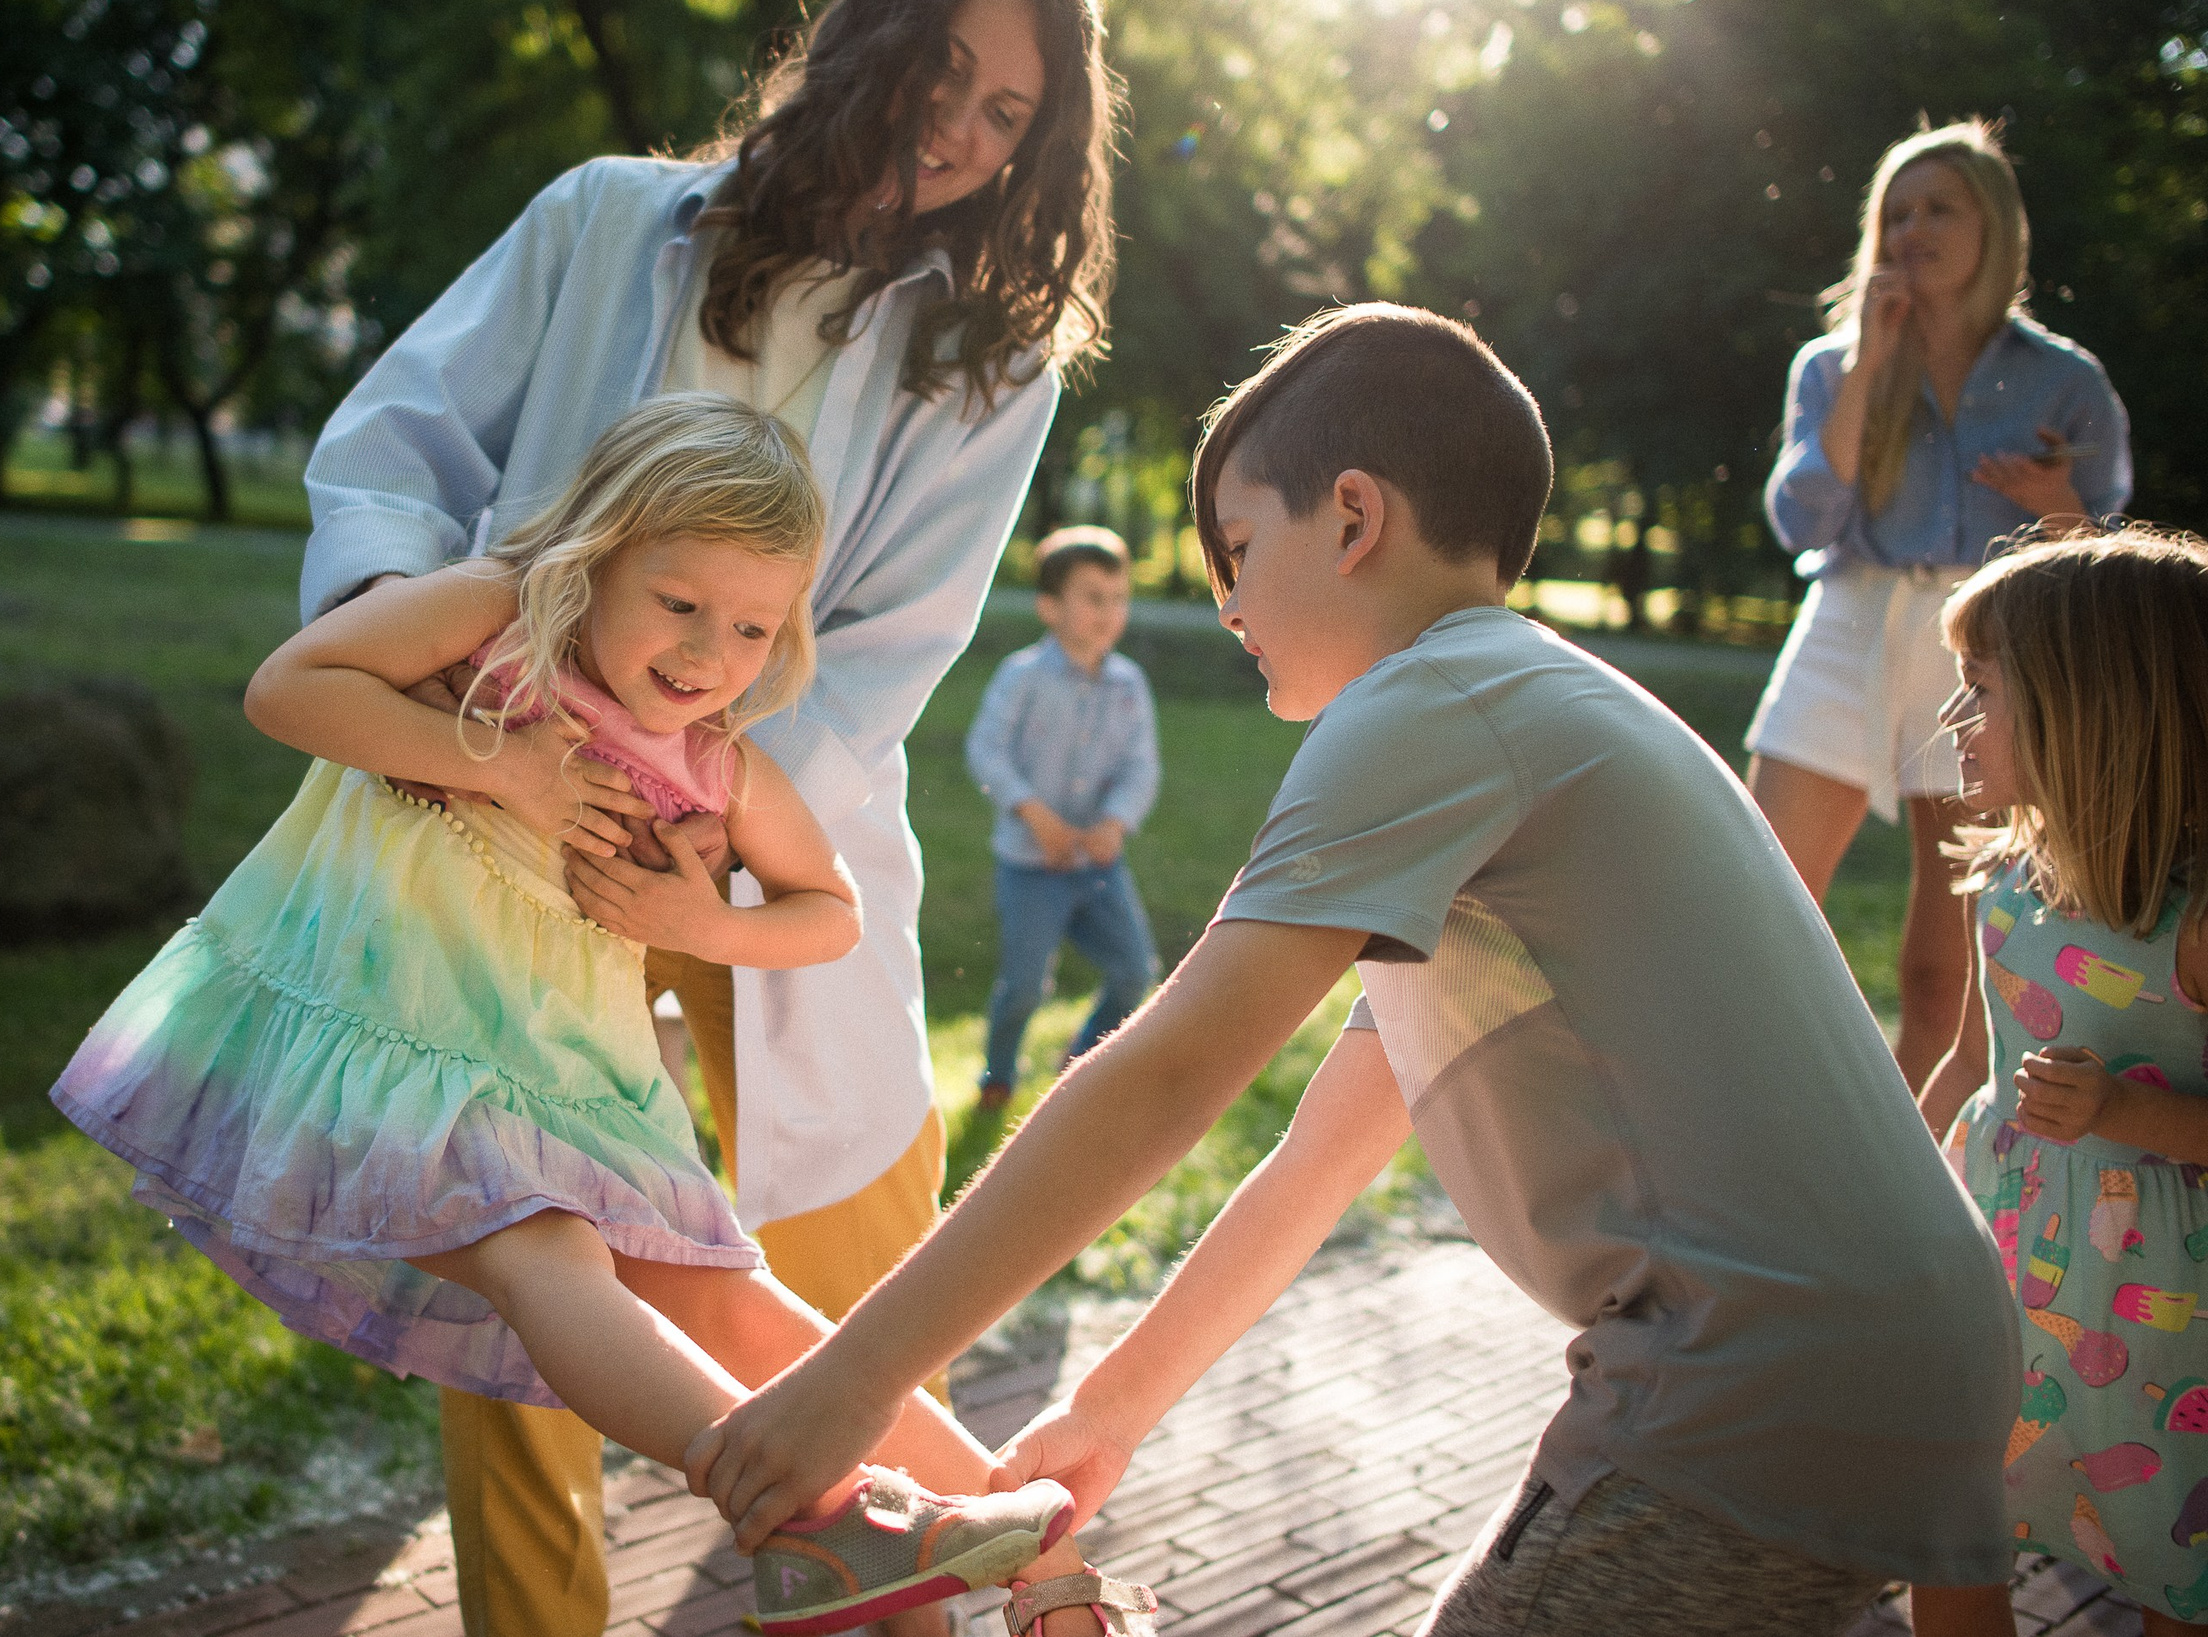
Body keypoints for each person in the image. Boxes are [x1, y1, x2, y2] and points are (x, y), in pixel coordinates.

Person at [683, 304, 2024, 1637]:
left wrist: (851, 1382)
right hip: (1915, 1347)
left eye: (1240, 549)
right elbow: (1319, 1156)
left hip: (1750, 1379)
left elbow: (1169, 1072)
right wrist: (1110, 1407)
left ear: (1354, 516)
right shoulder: (1519, 713)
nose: (1225, 601)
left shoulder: (1428, 704)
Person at [294, 0, 1117, 1626]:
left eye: (1009, 113)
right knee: (542, 1287)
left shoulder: (994, 358)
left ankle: (959, 1559)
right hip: (509, 817)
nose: (960, 127)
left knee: (840, 1280)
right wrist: (456, 695)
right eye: (944, 71)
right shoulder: (609, 219)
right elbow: (399, 442)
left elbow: (893, 638)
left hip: (772, 845)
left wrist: (698, 844)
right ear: (868, 43)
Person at [51, 396, 1090, 1635]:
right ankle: (815, 1516)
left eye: (754, 624)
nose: (710, 650)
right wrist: (498, 760)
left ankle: (1021, 1543)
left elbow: (828, 908)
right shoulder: (494, 621)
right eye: (680, 600)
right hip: (391, 1043)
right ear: (596, 556)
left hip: (565, 1083)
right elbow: (289, 687)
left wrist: (708, 926)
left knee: (736, 1301)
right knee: (549, 1252)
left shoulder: (714, 763)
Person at [1750, 118, 2130, 1095]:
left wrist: (2058, 507)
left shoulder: (2064, 380)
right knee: (1755, 907)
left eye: (1939, 208)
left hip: (1985, 651)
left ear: (1992, 226)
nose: (1913, 227)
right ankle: (1749, 1147)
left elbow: (2099, 564)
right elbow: (1801, 518)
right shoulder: (1829, 365)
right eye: (1896, 211)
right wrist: (1871, 365)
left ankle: (1913, 1195)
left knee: (1944, 971)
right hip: (1844, 623)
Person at [1911, 525, 2208, 1637]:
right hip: (2002, 1283)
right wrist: (1892, 1188)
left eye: (1979, 688)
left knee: (2175, 1572)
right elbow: (1967, 1061)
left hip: (2168, 1331)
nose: (1954, 719)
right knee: (1946, 1528)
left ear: (2091, 706)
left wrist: (2127, 1111)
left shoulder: (2190, 925)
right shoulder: (2005, 884)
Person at [967, 524, 1161, 1115]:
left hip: (1098, 863)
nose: (1109, 611)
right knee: (1025, 987)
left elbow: (1140, 767)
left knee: (1134, 974)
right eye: (1092, 598)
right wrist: (1032, 813)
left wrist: (1115, 822)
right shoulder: (1021, 677)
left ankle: (1077, 1065)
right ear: (1050, 608)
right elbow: (987, 750)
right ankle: (998, 1073)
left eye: (1118, 597)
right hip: (1031, 864)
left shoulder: (1129, 685)